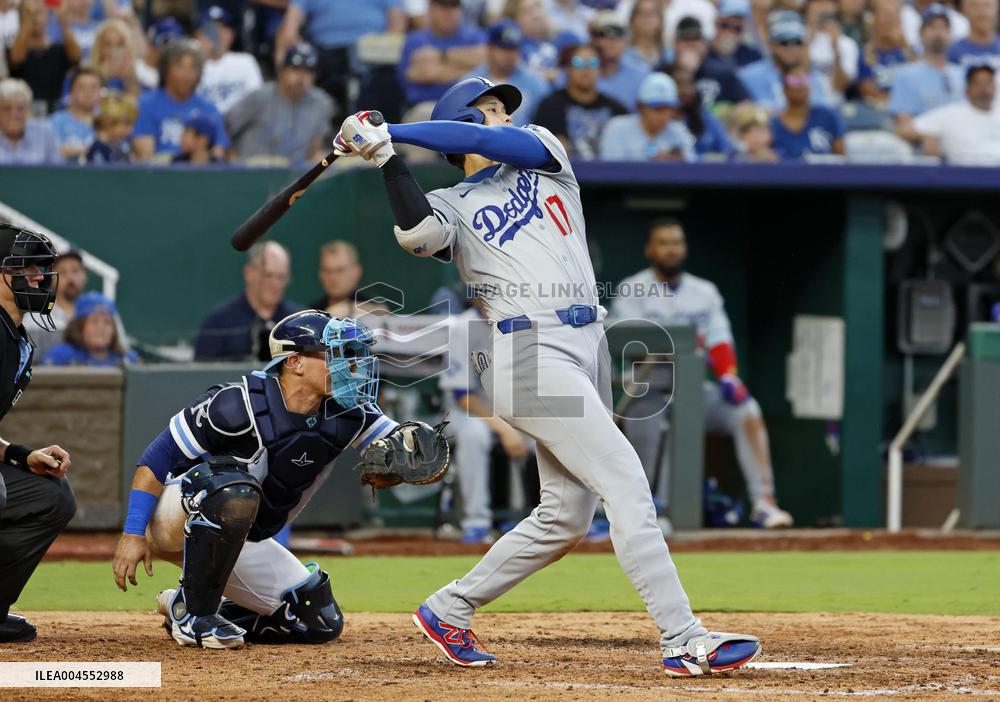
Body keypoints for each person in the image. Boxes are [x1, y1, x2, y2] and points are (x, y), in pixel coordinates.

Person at [333, 76, 761, 673]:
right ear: (463, 126)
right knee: (626, 483)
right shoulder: (452, 205)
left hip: (589, 346)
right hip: (529, 353)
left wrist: (393, 130)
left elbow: (509, 144)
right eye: (487, 111)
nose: (502, 116)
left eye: (501, 109)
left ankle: (449, 608)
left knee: (566, 517)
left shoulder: (543, 152)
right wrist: (384, 157)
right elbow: (414, 234)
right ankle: (682, 638)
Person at [112, 311, 447, 648]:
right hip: (177, 516)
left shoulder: (348, 411)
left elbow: (404, 448)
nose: (349, 366)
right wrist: (133, 532)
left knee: (317, 620)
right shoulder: (237, 403)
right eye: (334, 354)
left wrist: (418, 457)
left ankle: (186, 603)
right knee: (234, 489)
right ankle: (194, 619)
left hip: (243, 535)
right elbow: (156, 459)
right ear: (296, 362)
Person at [611, 219, 794, 530]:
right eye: (664, 243)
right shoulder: (632, 288)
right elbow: (627, 341)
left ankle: (764, 502)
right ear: (650, 250)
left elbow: (719, 339)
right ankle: (652, 511)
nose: (671, 249)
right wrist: (677, 343)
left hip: (692, 385)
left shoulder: (704, 291)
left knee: (744, 409)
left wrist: (728, 375)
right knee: (654, 427)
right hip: (647, 386)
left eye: (677, 242)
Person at [0, 224, 76, 644]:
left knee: (51, 495)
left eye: (40, 268)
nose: (38, 277)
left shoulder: (15, 336)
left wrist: (18, 455)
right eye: (23, 268)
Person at [439, 296, 532, 544]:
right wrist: (505, 430)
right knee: (474, 435)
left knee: (557, 429)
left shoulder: (522, 321)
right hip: (469, 411)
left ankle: (559, 518)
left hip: (511, 408)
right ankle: (476, 523)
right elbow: (463, 396)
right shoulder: (462, 326)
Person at [276, 0, 406, 124]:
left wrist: (388, 47)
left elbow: (397, 22)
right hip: (324, 48)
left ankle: (381, 130)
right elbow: (291, 23)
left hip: (373, 48)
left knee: (387, 78)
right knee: (302, 65)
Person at [226, 42, 334, 166]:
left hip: (293, 178)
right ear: (282, 71)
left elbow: (315, 148)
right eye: (296, 69)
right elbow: (227, 125)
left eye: (308, 71)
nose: (302, 77)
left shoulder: (320, 103)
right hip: (252, 174)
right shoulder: (261, 97)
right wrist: (231, 161)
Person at [194, 241, 303, 362]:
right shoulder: (218, 323)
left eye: (282, 277)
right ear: (249, 273)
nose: (276, 284)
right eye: (268, 275)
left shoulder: (298, 321)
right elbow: (202, 375)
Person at [132, 40, 229, 161]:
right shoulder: (146, 105)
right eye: (180, 66)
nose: (186, 74)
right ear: (166, 71)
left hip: (199, 173)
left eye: (193, 68)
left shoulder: (209, 108)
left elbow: (218, 152)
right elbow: (146, 157)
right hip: (161, 173)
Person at [532, 44, 627, 159]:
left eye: (593, 63)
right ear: (567, 68)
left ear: (600, 70)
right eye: (578, 63)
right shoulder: (549, 106)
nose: (586, 69)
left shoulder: (616, 109)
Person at [889, 5, 964, 144]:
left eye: (944, 28)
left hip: (963, 149)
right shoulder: (906, 75)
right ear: (921, 33)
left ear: (951, 35)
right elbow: (903, 125)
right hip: (922, 152)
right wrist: (928, 138)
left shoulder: (963, 75)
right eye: (932, 27)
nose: (938, 33)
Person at [398, 0, 487, 108]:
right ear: (431, 9)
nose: (449, 13)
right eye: (443, 7)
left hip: (469, 106)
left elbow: (488, 59)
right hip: (428, 106)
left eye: (454, 7)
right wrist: (470, 67)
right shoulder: (416, 39)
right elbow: (427, 73)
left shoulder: (475, 36)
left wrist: (441, 55)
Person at [738, 11, 833, 112]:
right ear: (771, 45)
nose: (791, 48)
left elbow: (821, 111)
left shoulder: (814, 77)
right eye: (784, 42)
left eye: (797, 42)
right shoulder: (748, 75)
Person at [463, 20, 549, 126]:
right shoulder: (471, 82)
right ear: (489, 49)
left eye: (513, 49)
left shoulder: (535, 83)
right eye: (503, 48)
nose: (509, 55)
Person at [914, 62, 1000, 165]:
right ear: (967, 89)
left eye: (988, 83)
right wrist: (926, 137)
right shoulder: (950, 113)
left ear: (995, 88)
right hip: (964, 175)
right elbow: (903, 129)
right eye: (978, 84)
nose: (984, 90)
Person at [599, 72, 696, 161]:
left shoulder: (678, 131)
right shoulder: (617, 128)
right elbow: (610, 171)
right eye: (658, 109)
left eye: (669, 108)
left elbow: (692, 170)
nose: (664, 115)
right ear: (640, 107)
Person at [8, 0, 82, 112]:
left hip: (55, 111)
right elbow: (16, 59)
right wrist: (27, 21)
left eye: (40, 12)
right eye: (30, 13)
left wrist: (64, 23)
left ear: (48, 17)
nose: (35, 17)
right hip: (23, 111)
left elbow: (76, 58)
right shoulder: (13, 49)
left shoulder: (58, 50)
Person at [195, 5, 263, 116]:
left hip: (241, 127)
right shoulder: (190, 67)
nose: (216, 34)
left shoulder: (246, 62)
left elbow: (257, 103)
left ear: (231, 35)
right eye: (210, 29)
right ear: (198, 35)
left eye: (222, 28)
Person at [672, 16, 751, 110]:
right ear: (675, 44)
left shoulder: (722, 72)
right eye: (686, 40)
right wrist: (685, 72)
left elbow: (746, 105)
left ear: (704, 44)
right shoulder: (665, 72)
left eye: (696, 39)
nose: (691, 45)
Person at [42, 291, 136, 366]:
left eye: (107, 322)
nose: (101, 327)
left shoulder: (127, 359)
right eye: (94, 321)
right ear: (79, 328)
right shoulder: (60, 357)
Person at [23, 248, 85, 360]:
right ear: (51, 278)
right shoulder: (36, 317)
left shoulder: (99, 312)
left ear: (84, 276)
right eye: (63, 272)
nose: (70, 278)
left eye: (75, 271)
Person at [770, 67, 845, 158]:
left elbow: (841, 158)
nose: (799, 85)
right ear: (784, 89)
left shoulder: (828, 116)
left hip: (822, 172)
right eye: (793, 80)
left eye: (804, 80)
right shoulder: (772, 124)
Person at [310, 241, 388, 322]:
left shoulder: (370, 300)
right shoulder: (315, 309)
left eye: (340, 270)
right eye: (327, 271)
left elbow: (383, 312)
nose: (333, 277)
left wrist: (349, 308)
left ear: (356, 271)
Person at [856, 0, 914, 107]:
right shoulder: (866, 52)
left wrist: (905, 46)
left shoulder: (909, 50)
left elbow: (921, 78)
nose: (890, 20)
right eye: (885, 15)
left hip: (910, 108)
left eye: (894, 15)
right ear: (874, 20)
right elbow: (867, 90)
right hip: (879, 110)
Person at [589, 11, 650, 110]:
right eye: (604, 35)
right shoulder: (582, 69)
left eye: (618, 35)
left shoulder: (641, 74)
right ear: (594, 40)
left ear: (626, 41)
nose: (612, 42)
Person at [671, 66, 735, 157]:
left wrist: (704, 159)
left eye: (689, 84)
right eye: (679, 84)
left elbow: (728, 152)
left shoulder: (706, 119)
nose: (685, 90)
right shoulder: (663, 123)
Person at [804, 0, 860, 105]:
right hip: (802, 104)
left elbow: (840, 86)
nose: (821, 14)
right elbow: (793, 79)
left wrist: (835, 48)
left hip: (834, 104)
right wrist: (807, 43)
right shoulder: (795, 41)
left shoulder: (847, 44)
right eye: (818, 6)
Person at [0, 78, 59, 164]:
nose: (13, 115)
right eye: (6, 108)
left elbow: (57, 171)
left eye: (20, 108)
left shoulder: (44, 133)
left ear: (28, 111)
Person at [48, 66, 101, 162]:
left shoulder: (107, 120)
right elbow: (53, 151)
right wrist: (92, 151)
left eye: (93, 88)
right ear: (71, 91)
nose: (88, 93)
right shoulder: (57, 120)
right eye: (82, 87)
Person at [85, 18, 142, 98]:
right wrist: (103, 77)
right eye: (108, 44)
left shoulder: (140, 76)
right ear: (99, 48)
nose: (114, 50)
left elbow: (142, 106)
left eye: (120, 44)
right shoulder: (82, 75)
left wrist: (130, 81)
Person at [708, 0, 763, 69]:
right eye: (725, 25)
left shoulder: (753, 58)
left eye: (737, 28)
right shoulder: (702, 54)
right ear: (715, 24)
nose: (730, 32)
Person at [85, 90, 137, 164]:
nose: (131, 129)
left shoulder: (125, 144)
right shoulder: (98, 148)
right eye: (126, 124)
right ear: (110, 123)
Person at [947, 0, 1000, 70]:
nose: (982, 11)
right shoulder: (953, 51)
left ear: (997, 9)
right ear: (963, 9)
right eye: (974, 5)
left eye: (987, 5)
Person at [623, 0, 671, 71]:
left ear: (660, 20)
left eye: (652, 13)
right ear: (632, 19)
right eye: (641, 13)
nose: (646, 19)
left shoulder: (670, 55)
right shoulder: (623, 55)